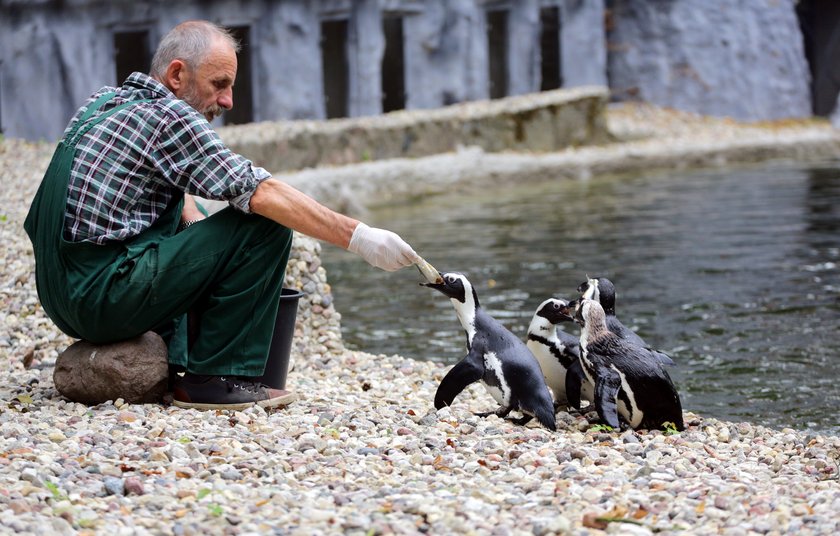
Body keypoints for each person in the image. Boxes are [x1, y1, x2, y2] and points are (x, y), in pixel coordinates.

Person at [24, 20, 421, 411]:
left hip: (60, 295)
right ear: (177, 74)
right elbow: (259, 191)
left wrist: (199, 237)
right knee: (264, 226)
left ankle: (180, 362)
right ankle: (215, 380)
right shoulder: (168, 118)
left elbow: (161, 191)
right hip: (101, 300)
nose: (228, 100)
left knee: (201, 222)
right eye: (219, 84)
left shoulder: (105, 104)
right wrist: (361, 237)